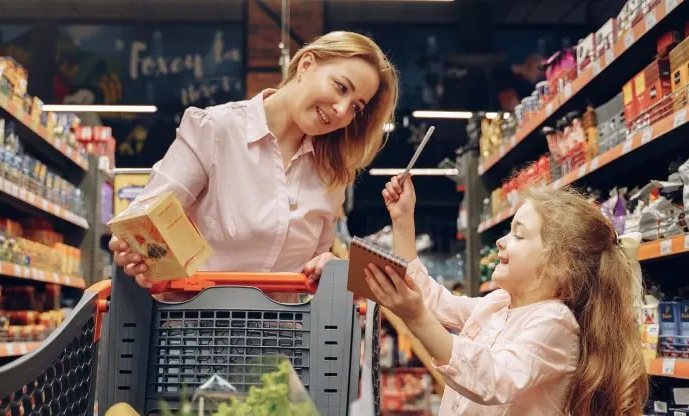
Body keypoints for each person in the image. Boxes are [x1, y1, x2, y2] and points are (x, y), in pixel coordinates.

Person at [109, 31, 399, 302]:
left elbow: (316, 266)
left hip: (280, 346)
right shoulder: (216, 130)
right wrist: (140, 253)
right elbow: (144, 219)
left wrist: (330, 266)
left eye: (356, 107)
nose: (341, 109)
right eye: (340, 87)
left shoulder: (330, 172)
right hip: (192, 339)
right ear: (306, 65)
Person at [367, 174, 648, 415]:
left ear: (559, 265)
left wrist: (417, 318)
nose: (500, 242)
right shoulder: (498, 304)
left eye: (518, 235)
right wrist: (403, 220)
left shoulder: (555, 323)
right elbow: (431, 299)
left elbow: (492, 379)